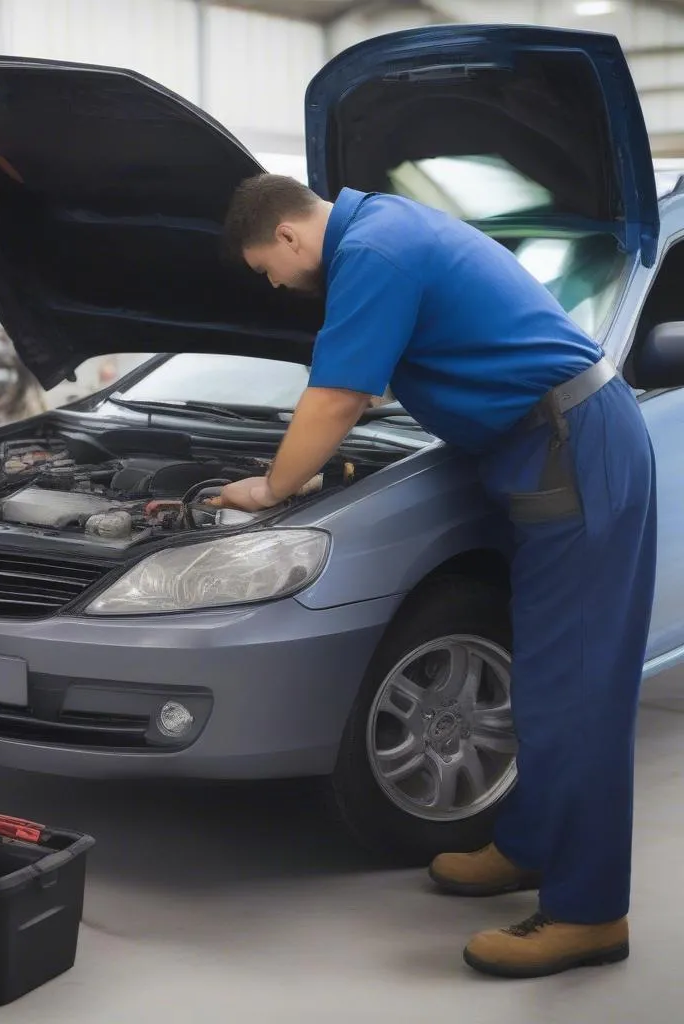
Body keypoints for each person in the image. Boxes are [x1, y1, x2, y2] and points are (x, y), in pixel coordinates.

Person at [217, 174, 656, 979]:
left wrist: (276, 486)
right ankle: (526, 847)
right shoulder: (383, 229)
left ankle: (589, 914)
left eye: (265, 270)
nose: (274, 286)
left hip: (573, 451)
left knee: (578, 694)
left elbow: (340, 394)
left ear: (286, 237)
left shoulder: (375, 250)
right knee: (546, 677)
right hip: (539, 448)